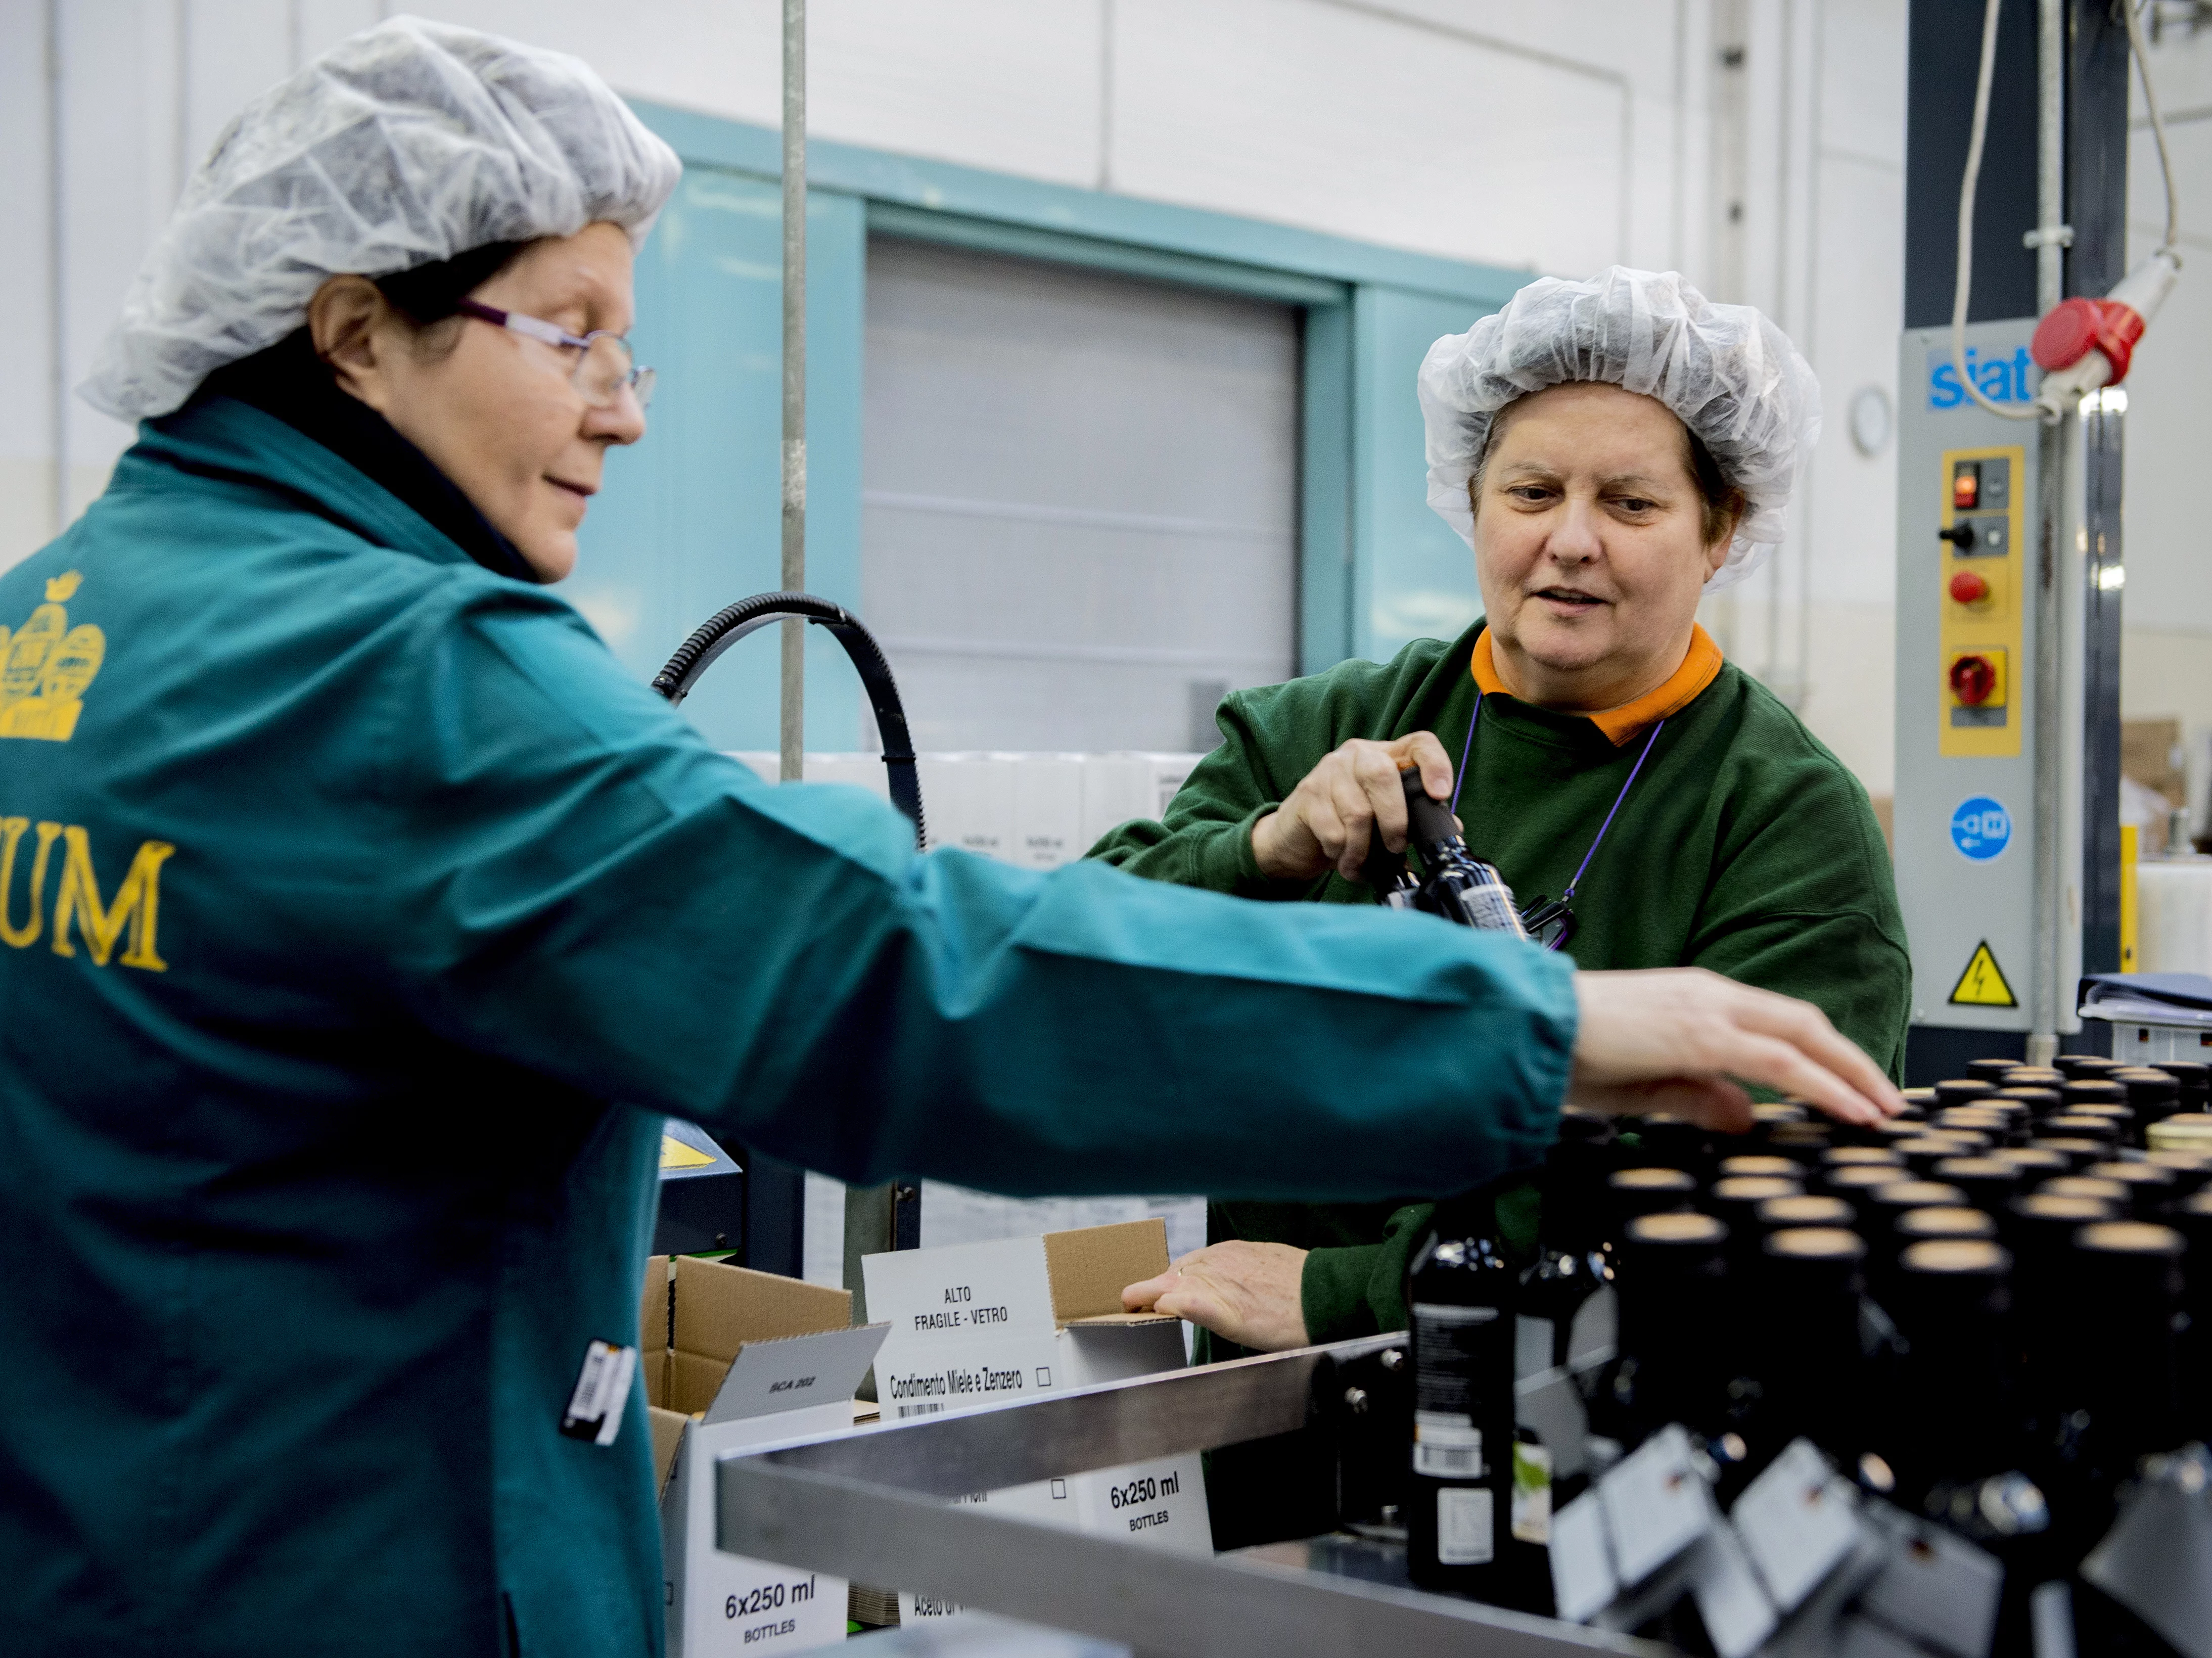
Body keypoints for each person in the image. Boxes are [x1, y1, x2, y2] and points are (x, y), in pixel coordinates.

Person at [0, 25, 1899, 1658]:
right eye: (567, 332)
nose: (626, 409)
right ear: (352, 333)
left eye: (628, 342)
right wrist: (1529, 1033)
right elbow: (903, 982)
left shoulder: (57, 628)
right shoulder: (407, 675)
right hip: (359, 1571)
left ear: (1717, 525)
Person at [1104, 268, 1910, 1358]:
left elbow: (1755, 1165)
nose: (1571, 541)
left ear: (1719, 530)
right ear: (1473, 505)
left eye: (1630, 503)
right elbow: (1081, 953)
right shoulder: (1322, 728)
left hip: (1586, 1414)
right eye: (1531, 494)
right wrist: (1266, 849)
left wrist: (1352, 1295)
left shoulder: (1781, 814)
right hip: (1261, 1400)